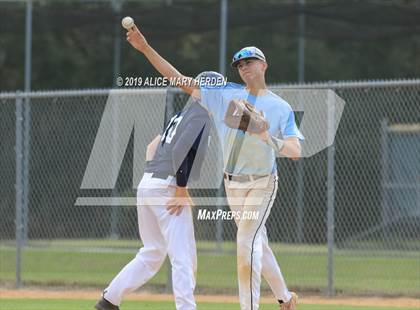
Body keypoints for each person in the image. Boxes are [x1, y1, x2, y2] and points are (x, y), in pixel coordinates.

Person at [126, 25, 303, 310]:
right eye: (240, 64)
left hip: (262, 183)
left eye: (250, 62)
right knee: (258, 241)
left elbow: (295, 151)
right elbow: (178, 78)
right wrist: (145, 48)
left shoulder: (280, 107)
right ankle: (286, 299)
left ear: (264, 65)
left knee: (246, 242)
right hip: (233, 184)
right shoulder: (223, 94)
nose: (244, 67)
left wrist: (266, 137)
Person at [94, 71, 223, 310]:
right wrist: (180, 188)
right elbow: (179, 152)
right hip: (166, 187)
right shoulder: (201, 116)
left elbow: (152, 146)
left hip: (149, 183)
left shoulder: (182, 114)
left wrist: (158, 176)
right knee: (183, 257)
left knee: (153, 252)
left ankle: (109, 300)